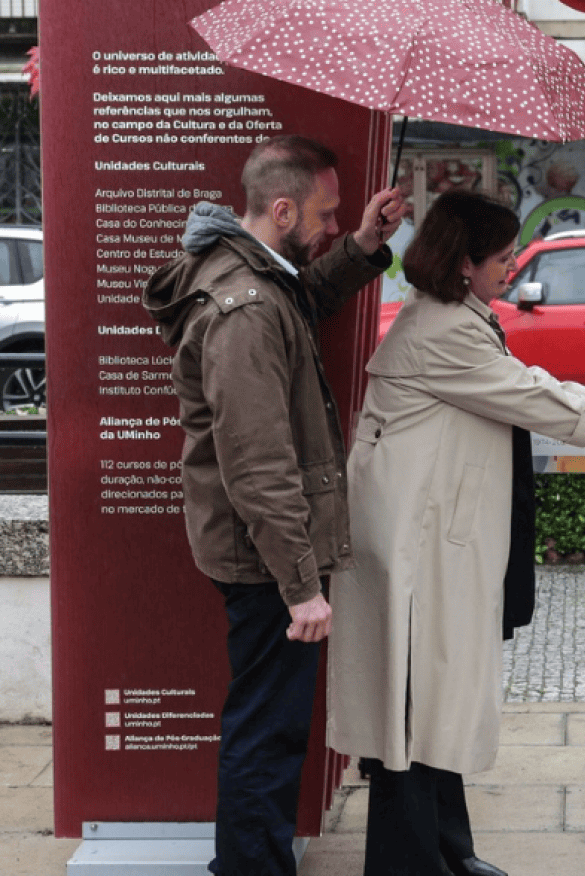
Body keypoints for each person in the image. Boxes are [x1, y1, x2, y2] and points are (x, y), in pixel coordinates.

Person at [326, 189, 585, 876]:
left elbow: (521, 379)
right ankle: (411, 863)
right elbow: (530, 397)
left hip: (430, 543)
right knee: (415, 714)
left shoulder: (452, 316)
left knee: (434, 705)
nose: (512, 266)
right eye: (504, 256)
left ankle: (448, 851)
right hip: (416, 551)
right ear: (464, 264)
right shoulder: (444, 328)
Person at [143, 135, 406, 876]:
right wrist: (301, 587)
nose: (327, 225)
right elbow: (257, 465)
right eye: (323, 215)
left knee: (270, 726)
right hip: (264, 560)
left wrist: (358, 245)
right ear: (282, 209)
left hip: (258, 551)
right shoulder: (246, 309)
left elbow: (304, 300)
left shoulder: (256, 274)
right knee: (267, 734)